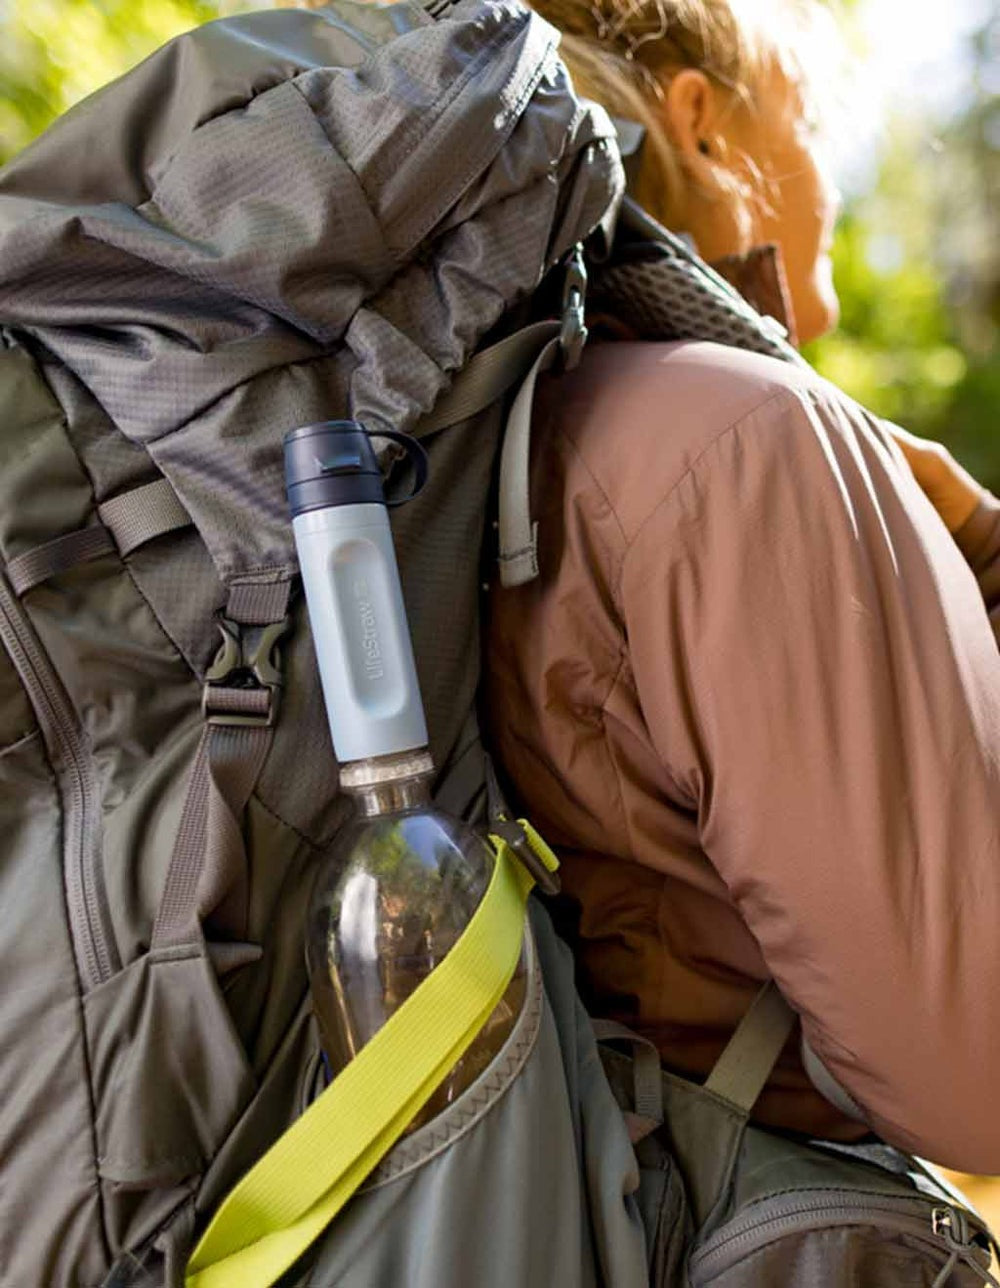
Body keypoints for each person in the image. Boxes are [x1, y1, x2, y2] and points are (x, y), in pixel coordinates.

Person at [485, 0, 1000, 1172]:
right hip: (723, 1217)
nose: (831, 173)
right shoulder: (744, 443)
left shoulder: (531, 431)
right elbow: (980, 1071)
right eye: (809, 120)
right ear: (701, 124)